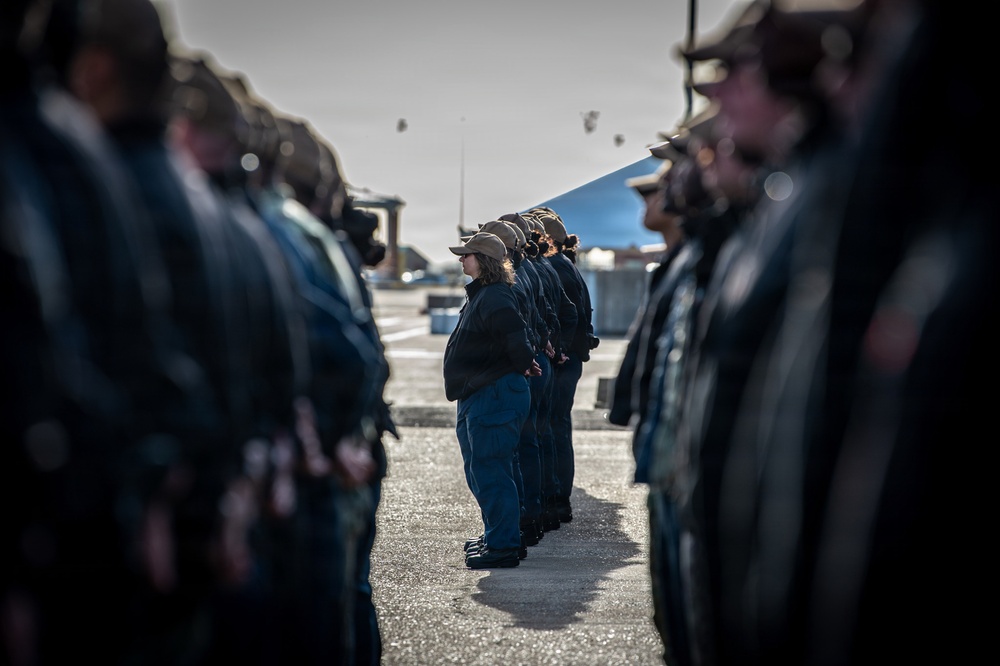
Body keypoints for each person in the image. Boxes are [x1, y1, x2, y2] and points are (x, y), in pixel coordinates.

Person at [444, 231, 541, 569]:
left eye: (467, 255)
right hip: (480, 392)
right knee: (482, 470)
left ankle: (503, 545)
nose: (461, 259)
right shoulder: (484, 293)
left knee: (492, 471)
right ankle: (497, 535)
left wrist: (523, 361)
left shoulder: (495, 296)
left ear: (483, 261)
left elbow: (516, 335)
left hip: (494, 393)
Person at [530, 207, 598, 524]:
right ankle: (558, 500)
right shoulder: (564, 265)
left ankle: (556, 500)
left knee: (553, 429)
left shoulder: (556, 267)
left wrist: (556, 351)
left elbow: (567, 315)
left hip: (563, 361)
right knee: (557, 427)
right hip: (569, 358)